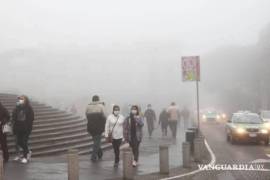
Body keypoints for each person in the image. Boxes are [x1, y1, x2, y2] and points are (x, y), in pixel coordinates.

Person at [12, 95, 34, 164]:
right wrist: (16, 108)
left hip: (26, 128)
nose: (20, 100)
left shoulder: (29, 108)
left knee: (24, 142)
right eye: (19, 99)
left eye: (22, 99)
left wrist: (28, 126)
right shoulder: (17, 107)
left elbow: (31, 118)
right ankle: (28, 151)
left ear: (26, 100)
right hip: (18, 127)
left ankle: (25, 157)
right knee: (19, 142)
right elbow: (14, 116)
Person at [85, 95, 106, 162]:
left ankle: (100, 153)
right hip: (98, 127)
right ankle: (93, 156)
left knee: (96, 140)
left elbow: (86, 115)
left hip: (91, 127)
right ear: (98, 100)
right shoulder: (101, 106)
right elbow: (104, 116)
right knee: (97, 141)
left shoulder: (88, 106)